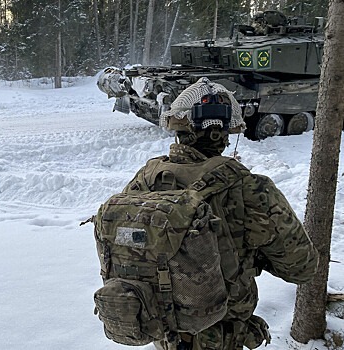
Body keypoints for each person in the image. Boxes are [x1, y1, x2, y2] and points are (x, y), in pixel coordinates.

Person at [125, 78, 319, 350]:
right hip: (222, 334)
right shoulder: (251, 188)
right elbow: (303, 267)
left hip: (164, 329)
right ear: (224, 133)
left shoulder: (145, 179)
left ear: (178, 127)